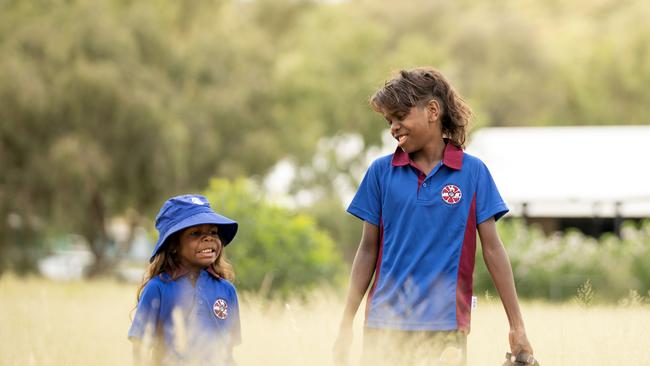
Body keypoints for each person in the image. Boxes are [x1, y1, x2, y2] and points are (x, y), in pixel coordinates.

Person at [333, 67, 534, 365]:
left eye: (400, 117)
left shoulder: (473, 173)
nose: (393, 127)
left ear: (432, 110)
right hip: (383, 324)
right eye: (389, 121)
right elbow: (367, 249)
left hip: (446, 326)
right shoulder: (380, 172)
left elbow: (493, 249)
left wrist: (517, 326)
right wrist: (346, 323)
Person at [129, 194, 241, 366]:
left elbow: (229, 349)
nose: (208, 238)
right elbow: (139, 344)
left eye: (213, 232)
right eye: (195, 233)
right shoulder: (158, 288)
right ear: (173, 245)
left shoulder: (227, 290)